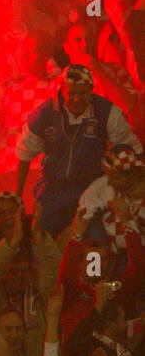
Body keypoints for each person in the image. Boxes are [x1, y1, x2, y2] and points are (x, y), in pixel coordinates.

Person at [16, 64, 140, 235]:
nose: (76, 99)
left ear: (91, 91)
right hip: (53, 186)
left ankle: (94, 263)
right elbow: (24, 154)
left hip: (91, 185)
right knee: (41, 235)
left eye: (82, 93)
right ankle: (47, 262)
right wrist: (18, 196)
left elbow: (131, 147)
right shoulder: (45, 113)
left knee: (94, 237)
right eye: (71, 93)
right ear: (63, 91)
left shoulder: (106, 112)